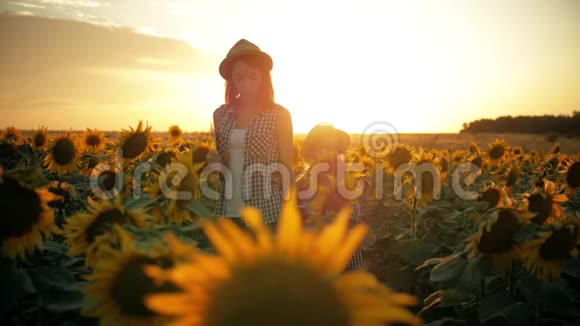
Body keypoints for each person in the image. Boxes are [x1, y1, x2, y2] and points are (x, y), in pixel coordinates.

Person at [206, 39, 294, 229]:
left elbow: (287, 165)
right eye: (239, 78)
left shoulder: (279, 115)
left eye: (252, 77)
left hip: (266, 209)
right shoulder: (220, 114)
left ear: (263, 78)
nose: (246, 84)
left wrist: (291, 211)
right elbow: (221, 162)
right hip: (227, 207)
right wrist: (211, 160)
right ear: (232, 81)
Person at [296, 123, 365, 271]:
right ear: (312, 152)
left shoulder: (346, 183)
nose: (330, 152)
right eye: (323, 147)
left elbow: (354, 221)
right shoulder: (301, 184)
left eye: (335, 148)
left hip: (342, 257)